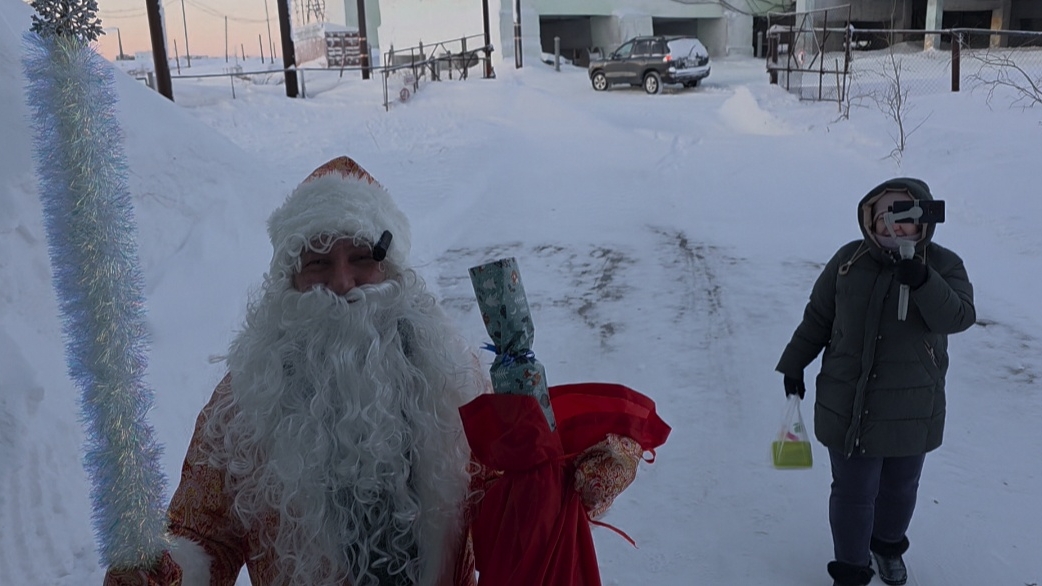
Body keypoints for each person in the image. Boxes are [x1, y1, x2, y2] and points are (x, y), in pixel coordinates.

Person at [102, 156, 643, 586]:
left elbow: (506, 502)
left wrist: (570, 482)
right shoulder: (244, 400)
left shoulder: (452, 377)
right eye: (317, 262)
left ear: (393, 268)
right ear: (288, 280)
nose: (342, 283)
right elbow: (205, 534)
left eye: (362, 256)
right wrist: (169, 570)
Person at [775, 178, 975, 586]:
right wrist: (795, 364)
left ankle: (886, 546)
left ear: (923, 220)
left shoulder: (944, 264)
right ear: (868, 216)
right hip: (850, 404)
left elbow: (957, 317)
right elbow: (818, 317)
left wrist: (922, 280)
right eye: (882, 214)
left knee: (900, 488)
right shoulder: (849, 261)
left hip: (912, 406)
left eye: (905, 214)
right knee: (852, 493)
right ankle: (850, 567)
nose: (892, 224)